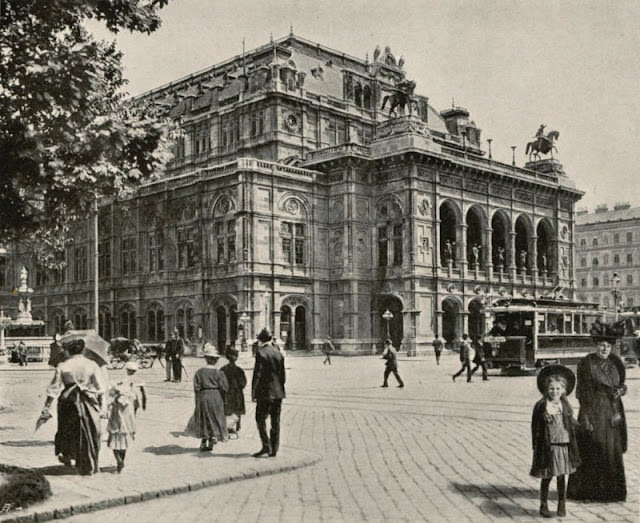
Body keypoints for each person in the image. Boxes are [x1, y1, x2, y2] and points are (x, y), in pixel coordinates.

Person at [567, 331, 628, 502]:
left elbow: (622, 383)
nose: (605, 348)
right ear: (596, 345)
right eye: (601, 345)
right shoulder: (587, 363)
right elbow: (582, 392)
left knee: (612, 449)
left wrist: (621, 390)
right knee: (593, 448)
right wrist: (585, 417)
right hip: (593, 409)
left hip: (613, 411)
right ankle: (588, 492)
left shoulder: (616, 362)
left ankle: (612, 492)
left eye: (608, 346)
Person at [40, 338, 107, 475]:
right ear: (83, 349)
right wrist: (96, 399)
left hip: (68, 401)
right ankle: (87, 460)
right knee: (91, 430)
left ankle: (69, 456)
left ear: (68, 351)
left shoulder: (63, 366)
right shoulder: (92, 364)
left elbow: (53, 389)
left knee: (67, 430)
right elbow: (101, 389)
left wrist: (46, 407)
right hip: (87, 400)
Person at [530, 365, 580, 518]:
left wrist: (583, 426)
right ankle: (543, 505)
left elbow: (571, 423)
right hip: (548, 446)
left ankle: (561, 505)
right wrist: (536, 445)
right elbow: (535, 427)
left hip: (563, 445)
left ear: (564, 390)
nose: (555, 392)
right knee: (547, 476)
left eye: (558, 389)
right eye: (551, 389)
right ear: (546, 389)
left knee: (561, 477)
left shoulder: (565, 405)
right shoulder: (541, 406)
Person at [106, 360, 147, 473]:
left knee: (115, 440)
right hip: (131, 406)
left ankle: (119, 461)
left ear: (128, 370)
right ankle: (122, 460)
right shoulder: (138, 380)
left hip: (118, 418)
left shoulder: (124, 381)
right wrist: (143, 404)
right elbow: (143, 393)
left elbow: (111, 393)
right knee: (129, 421)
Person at [252, 328, 286, 457]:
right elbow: (283, 375)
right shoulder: (278, 352)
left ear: (260, 340)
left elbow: (258, 374)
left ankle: (266, 446)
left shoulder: (261, 353)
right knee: (275, 421)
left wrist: (254, 392)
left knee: (260, 419)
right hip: (278, 393)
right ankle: (274, 449)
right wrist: (280, 388)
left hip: (264, 393)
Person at [191, 343, 228, 451]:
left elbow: (196, 387)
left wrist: (197, 400)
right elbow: (225, 387)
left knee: (204, 417)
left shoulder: (199, 372)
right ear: (215, 360)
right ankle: (212, 438)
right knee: (215, 417)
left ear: (206, 359)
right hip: (216, 396)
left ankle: (203, 441)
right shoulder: (219, 373)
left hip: (203, 396)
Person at [220, 346, 247, 436]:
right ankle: (237, 426)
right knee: (237, 409)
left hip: (226, 393)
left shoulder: (223, 370)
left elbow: (220, 382)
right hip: (237, 393)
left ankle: (226, 426)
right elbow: (243, 383)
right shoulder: (239, 370)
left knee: (227, 409)